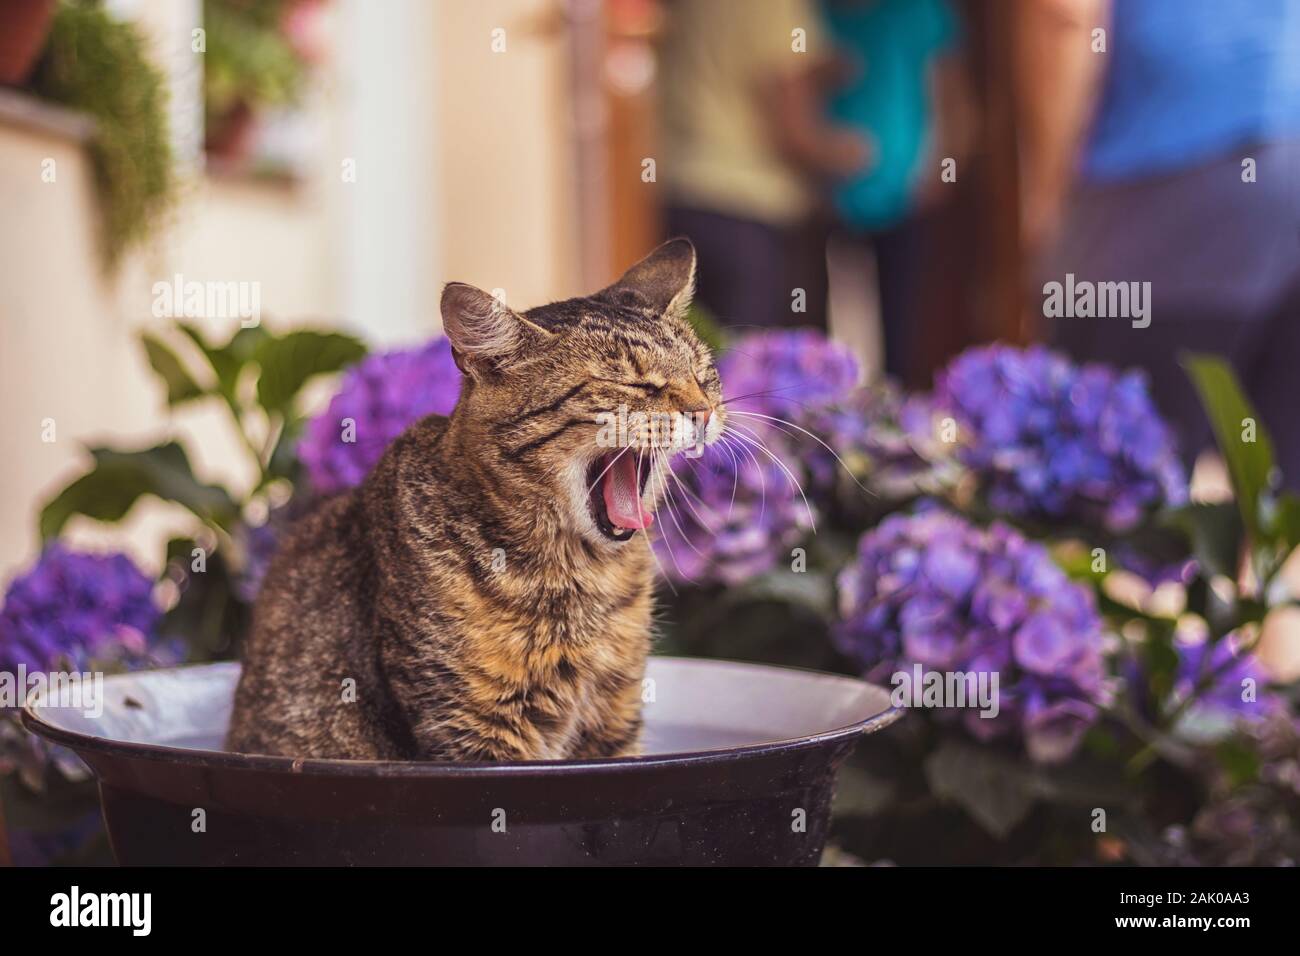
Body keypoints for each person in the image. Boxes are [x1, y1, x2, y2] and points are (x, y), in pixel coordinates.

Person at [1019, 0, 1300, 483]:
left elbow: (1064, 19)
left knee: (1117, 482)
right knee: (1275, 496)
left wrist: (1042, 203)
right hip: (1285, 156)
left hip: (1165, 183)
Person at [657, 0, 871, 330]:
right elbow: (792, 128)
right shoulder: (776, 6)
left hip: (675, 195)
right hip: (746, 207)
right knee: (749, 363)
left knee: (683, 350)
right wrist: (849, 153)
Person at [818, 0, 970, 381]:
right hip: (828, 202)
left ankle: (895, 429)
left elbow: (953, 96)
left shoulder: (921, 11)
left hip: (906, 200)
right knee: (826, 341)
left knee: (903, 332)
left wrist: (943, 168)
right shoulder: (819, 13)